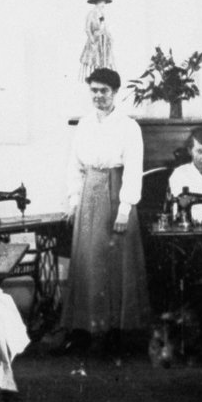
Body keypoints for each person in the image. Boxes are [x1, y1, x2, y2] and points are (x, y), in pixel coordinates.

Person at [56, 66, 149, 352]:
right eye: (94, 90)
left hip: (115, 192)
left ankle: (117, 331)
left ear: (115, 93)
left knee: (116, 264)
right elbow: (75, 164)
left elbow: (134, 169)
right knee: (87, 262)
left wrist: (125, 209)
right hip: (89, 195)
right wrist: (74, 200)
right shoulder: (84, 124)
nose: (98, 96)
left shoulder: (128, 127)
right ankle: (84, 328)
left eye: (104, 91)